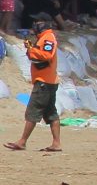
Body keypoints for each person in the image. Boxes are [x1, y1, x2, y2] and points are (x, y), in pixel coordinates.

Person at [7, 20, 61, 152]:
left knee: (33, 111)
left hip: (44, 81)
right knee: (50, 113)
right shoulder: (45, 38)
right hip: (47, 81)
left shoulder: (48, 38)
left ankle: (22, 141)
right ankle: (56, 143)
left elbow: (46, 55)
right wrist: (31, 48)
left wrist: (31, 51)